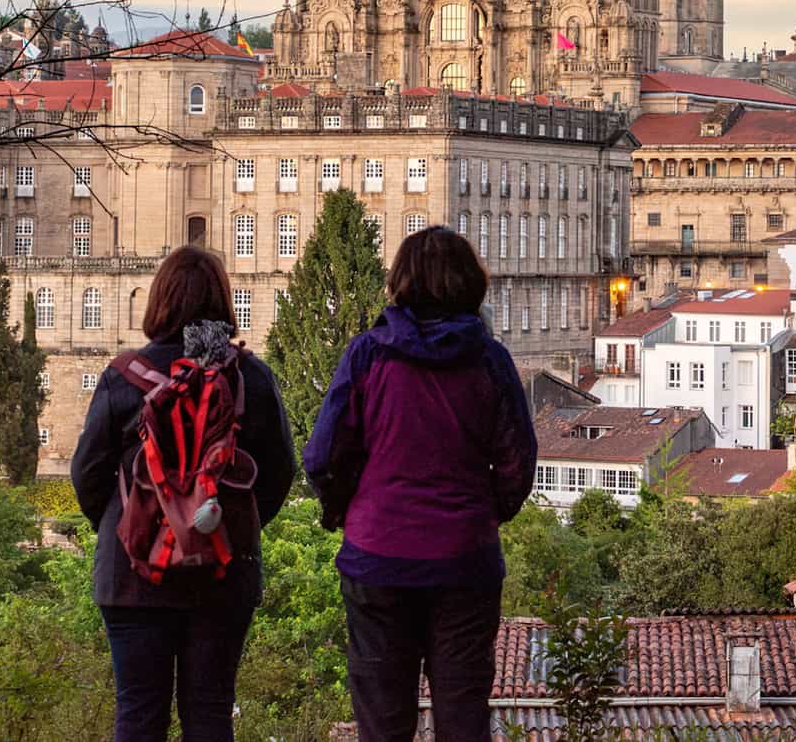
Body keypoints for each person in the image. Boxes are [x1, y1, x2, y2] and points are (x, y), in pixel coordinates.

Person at [303, 226, 537, 741]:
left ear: (400, 282)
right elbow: (519, 462)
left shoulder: (367, 356)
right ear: (471, 284)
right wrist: (482, 511)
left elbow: (322, 456)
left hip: (377, 556)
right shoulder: (490, 362)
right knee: (462, 715)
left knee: (383, 722)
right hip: (464, 559)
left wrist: (349, 507)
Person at [72, 245, 295, 742]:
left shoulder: (122, 378)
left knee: (138, 713)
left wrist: (127, 529)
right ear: (224, 301)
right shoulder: (250, 378)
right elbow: (280, 472)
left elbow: (87, 475)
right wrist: (231, 528)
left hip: (132, 575)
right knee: (211, 712)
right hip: (222, 567)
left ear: (159, 302)